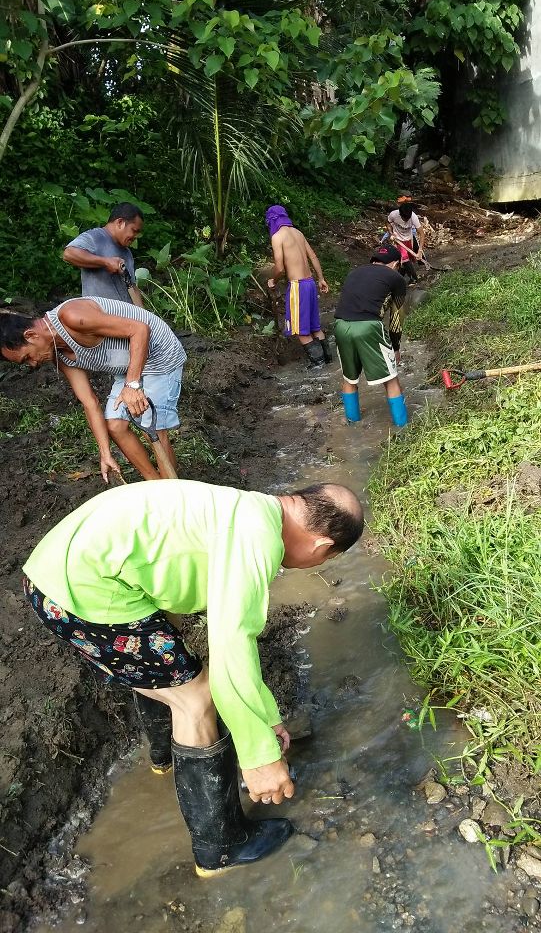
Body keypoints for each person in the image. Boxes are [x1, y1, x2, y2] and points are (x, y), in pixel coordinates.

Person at [22, 479, 364, 875]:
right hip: (77, 592)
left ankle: (165, 756)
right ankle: (219, 848)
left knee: (168, 659)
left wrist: (266, 715)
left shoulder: (250, 509)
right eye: (324, 561)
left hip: (55, 569)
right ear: (321, 547)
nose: (314, 565)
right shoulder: (258, 539)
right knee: (197, 696)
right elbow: (231, 646)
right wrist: (259, 758)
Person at [0, 297, 186, 481]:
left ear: (31, 336)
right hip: (130, 364)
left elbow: (140, 329)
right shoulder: (58, 353)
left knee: (151, 428)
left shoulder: (72, 316)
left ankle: (171, 488)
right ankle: (154, 484)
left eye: (27, 358)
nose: (32, 364)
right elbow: (89, 402)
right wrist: (105, 453)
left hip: (159, 354)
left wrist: (132, 385)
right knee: (115, 425)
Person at [333, 245, 408, 427]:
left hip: (340, 326)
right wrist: (396, 348)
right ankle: (403, 427)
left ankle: (352, 424)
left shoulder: (354, 273)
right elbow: (396, 318)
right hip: (368, 326)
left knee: (349, 379)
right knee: (391, 379)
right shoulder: (396, 278)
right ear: (396, 264)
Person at [265, 205, 332, 369]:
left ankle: (319, 364)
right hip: (310, 283)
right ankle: (329, 361)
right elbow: (313, 256)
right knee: (315, 326)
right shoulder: (298, 233)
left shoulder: (277, 237)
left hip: (297, 287)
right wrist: (321, 278)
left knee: (300, 330)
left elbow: (279, 267)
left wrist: (272, 280)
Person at [63, 202, 145, 306]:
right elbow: (69, 254)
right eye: (134, 230)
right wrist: (105, 262)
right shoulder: (96, 236)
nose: (135, 236)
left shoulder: (127, 252)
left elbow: (132, 287)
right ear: (120, 222)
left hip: (124, 319)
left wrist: (144, 316)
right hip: (99, 317)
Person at [386, 199, 426, 284]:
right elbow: (388, 223)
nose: (406, 220)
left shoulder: (413, 217)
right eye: (404, 218)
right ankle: (414, 279)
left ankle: (400, 277)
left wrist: (420, 250)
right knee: (404, 259)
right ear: (400, 214)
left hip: (409, 239)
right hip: (398, 239)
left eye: (408, 218)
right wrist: (391, 233)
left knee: (405, 261)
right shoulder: (394, 214)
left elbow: (421, 234)